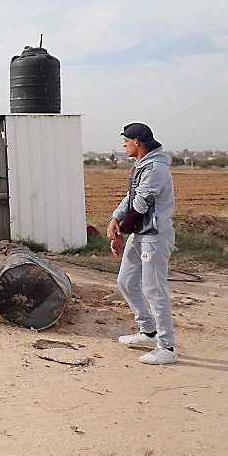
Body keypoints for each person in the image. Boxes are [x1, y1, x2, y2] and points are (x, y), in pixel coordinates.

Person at [107, 123, 177, 365]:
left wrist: (120, 232)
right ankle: (148, 331)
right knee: (125, 282)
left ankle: (167, 346)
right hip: (140, 235)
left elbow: (141, 205)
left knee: (154, 290)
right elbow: (130, 198)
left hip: (154, 237)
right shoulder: (142, 165)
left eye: (125, 140)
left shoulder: (156, 168)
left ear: (137, 141)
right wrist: (115, 219)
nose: (123, 145)